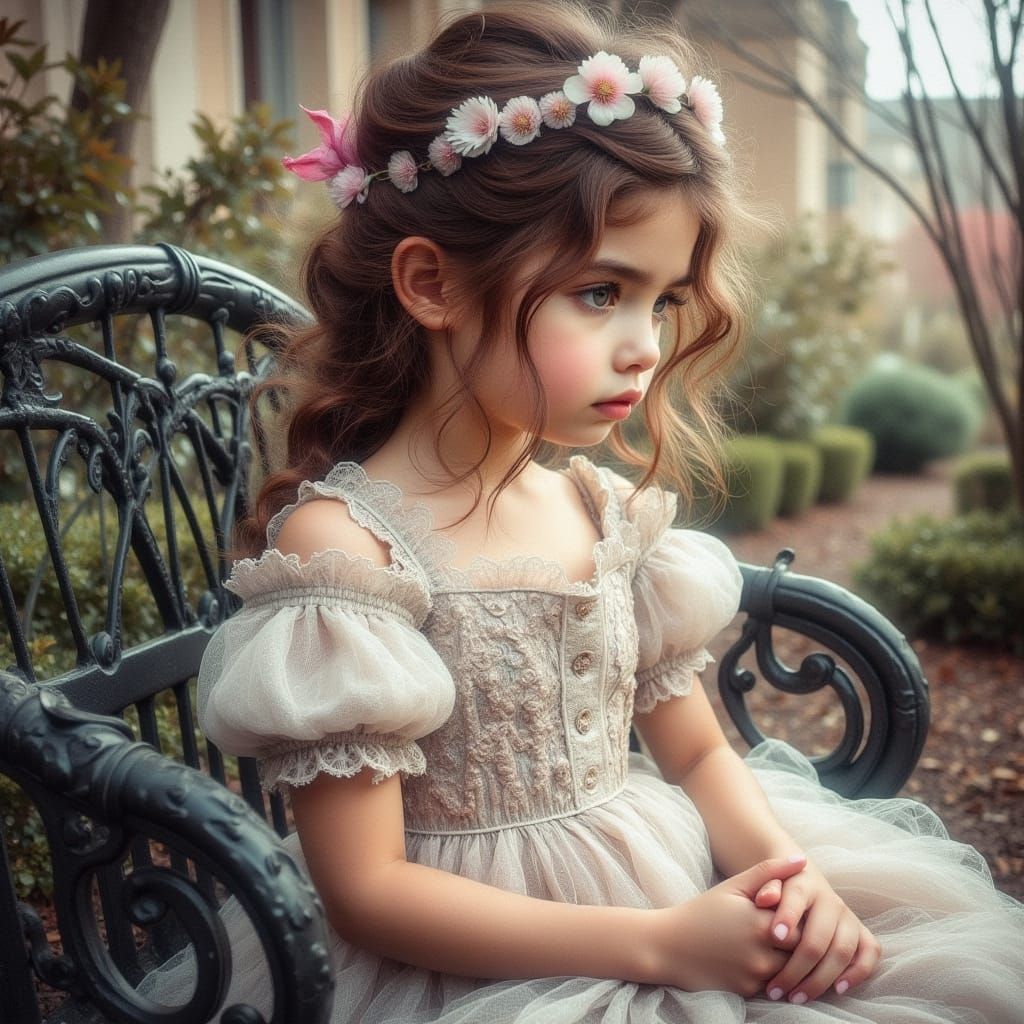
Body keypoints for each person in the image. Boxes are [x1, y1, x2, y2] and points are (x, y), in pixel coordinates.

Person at [184, 4, 1024, 1021]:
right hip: (476, 963)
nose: (645, 346)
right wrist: (662, 944)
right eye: (600, 292)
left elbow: (701, 750)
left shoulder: (599, 507)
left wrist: (789, 880)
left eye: (662, 301)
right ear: (430, 284)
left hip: (662, 883)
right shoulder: (347, 552)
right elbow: (367, 893)